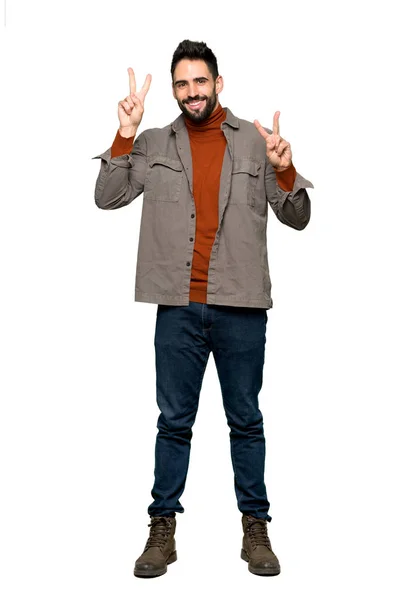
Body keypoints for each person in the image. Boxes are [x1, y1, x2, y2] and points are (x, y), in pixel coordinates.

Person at [92, 39, 313, 578]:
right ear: (174, 90)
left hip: (240, 305)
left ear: (218, 84)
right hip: (178, 308)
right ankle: (161, 530)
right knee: (173, 423)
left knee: (246, 422)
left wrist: (284, 169)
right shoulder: (152, 143)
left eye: (200, 81)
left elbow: (299, 217)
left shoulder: (258, 145)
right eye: (181, 84)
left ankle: (255, 530)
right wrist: (123, 134)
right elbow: (107, 195)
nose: (191, 92)